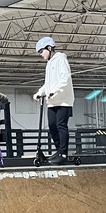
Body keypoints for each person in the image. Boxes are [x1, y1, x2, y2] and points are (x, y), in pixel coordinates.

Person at [33, 36, 74, 165]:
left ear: (49, 48)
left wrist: (54, 91)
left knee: (61, 125)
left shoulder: (60, 58)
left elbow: (65, 78)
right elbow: (48, 84)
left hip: (63, 100)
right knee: (52, 126)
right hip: (52, 102)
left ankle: (63, 153)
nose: (41, 54)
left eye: (41, 51)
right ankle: (59, 151)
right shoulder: (49, 64)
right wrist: (40, 92)